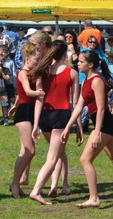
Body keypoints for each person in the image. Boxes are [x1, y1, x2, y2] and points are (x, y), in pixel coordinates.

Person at [61, 51, 113, 208]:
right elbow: (79, 106)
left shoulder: (97, 81)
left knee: (85, 160)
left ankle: (94, 198)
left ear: (90, 64)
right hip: (104, 125)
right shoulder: (86, 81)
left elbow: (101, 109)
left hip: (105, 124)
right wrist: (67, 127)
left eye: (81, 61)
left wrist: (97, 131)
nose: (78, 64)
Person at [28, 40, 79, 204]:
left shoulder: (42, 71)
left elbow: (39, 100)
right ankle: (37, 190)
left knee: (58, 153)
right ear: (65, 54)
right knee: (52, 157)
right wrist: (78, 125)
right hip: (61, 115)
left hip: (45, 115)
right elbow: (75, 103)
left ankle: (56, 184)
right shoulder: (72, 73)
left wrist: (36, 124)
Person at [9, 43, 44, 198]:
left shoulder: (34, 73)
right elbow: (28, 92)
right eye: (36, 59)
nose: (38, 62)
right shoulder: (23, 73)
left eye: (39, 59)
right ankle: (15, 183)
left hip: (28, 111)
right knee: (30, 151)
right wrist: (40, 92)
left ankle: (17, 183)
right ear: (27, 59)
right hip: (23, 114)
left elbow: (20, 94)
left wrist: (14, 105)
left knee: (25, 151)